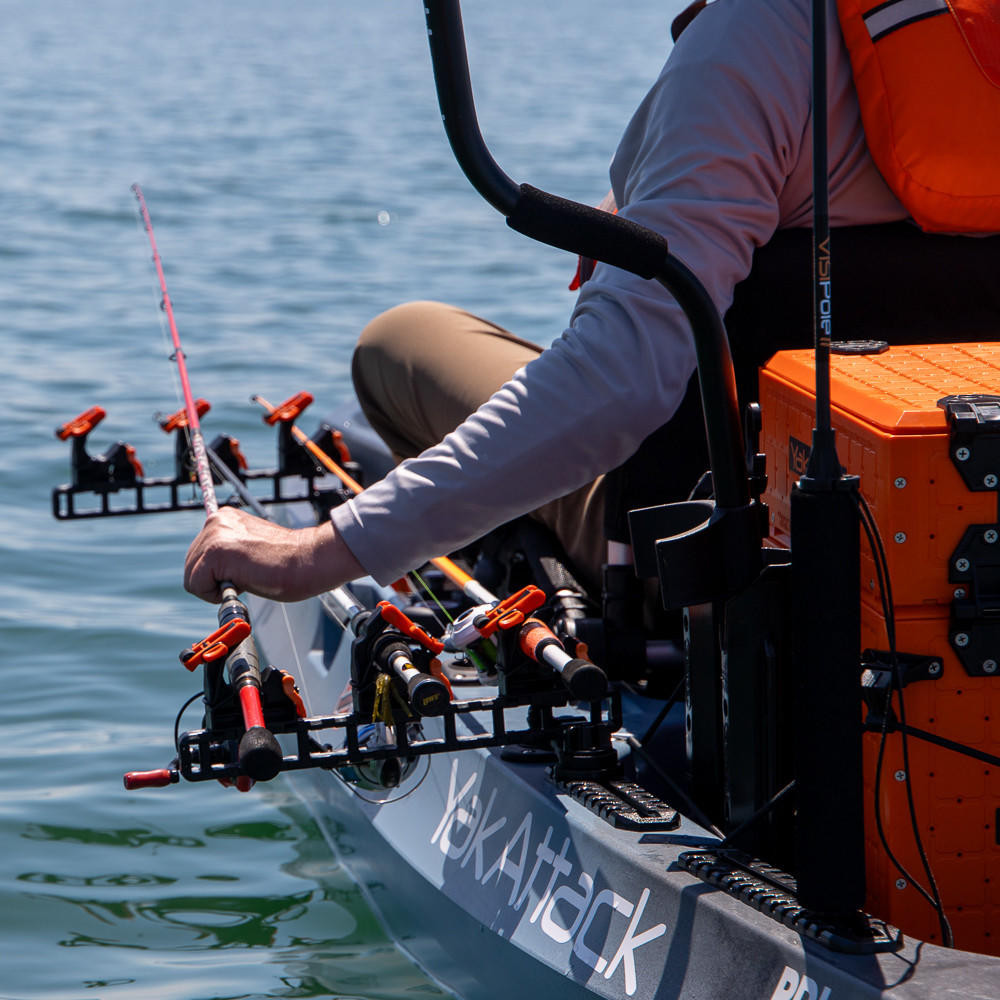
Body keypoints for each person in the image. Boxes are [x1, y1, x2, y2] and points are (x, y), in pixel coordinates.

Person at [182, 0, 926, 605]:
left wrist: (322, 552)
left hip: (697, 538)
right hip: (934, 528)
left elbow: (617, 383)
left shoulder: (762, 37)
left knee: (397, 344)